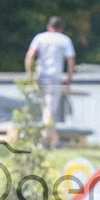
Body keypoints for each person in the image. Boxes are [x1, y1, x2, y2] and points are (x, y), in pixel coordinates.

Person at [24, 16, 75, 149]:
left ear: (48, 27)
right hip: (54, 78)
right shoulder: (65, 40)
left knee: (46, 108)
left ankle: (54, 141)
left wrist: (30, 75)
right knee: (49, 110)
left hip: (40, 77)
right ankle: (44, 141)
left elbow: (30, 56)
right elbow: (70, 60)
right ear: (61, 29)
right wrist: (69, 80)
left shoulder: (40, 37)